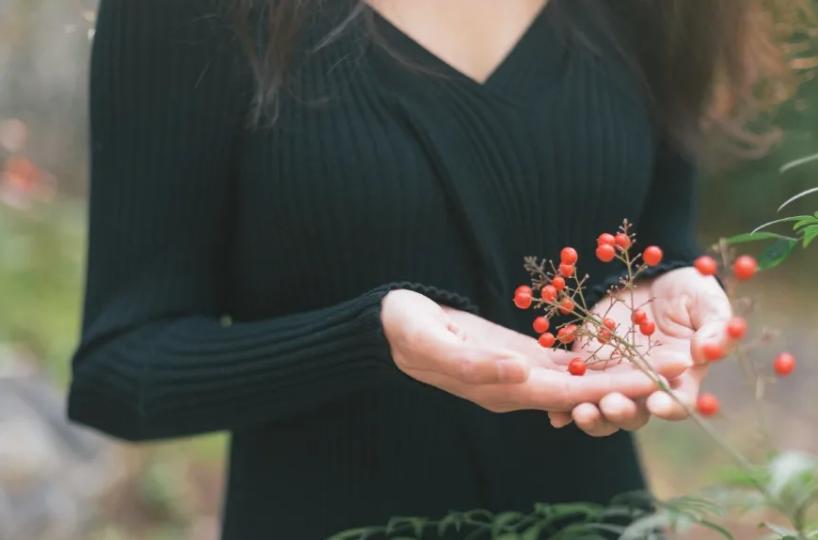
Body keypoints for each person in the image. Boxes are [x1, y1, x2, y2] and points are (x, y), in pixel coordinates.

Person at [67, 0, 791, 537]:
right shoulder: (195, 15)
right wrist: (371, 339)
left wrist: (657, 293)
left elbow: (654, 238)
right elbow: (121, 369)